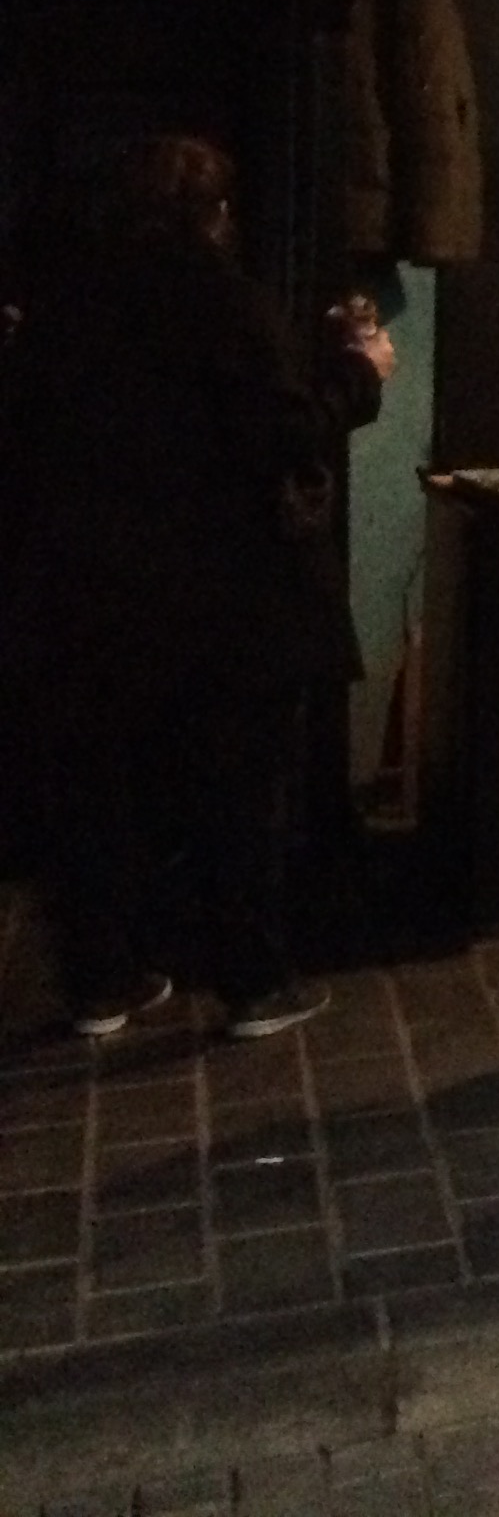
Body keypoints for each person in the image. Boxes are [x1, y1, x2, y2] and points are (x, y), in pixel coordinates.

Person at [0, 135, 393, 1041]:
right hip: (225, 596)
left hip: (89, 589)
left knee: (99, 792)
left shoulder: (66, 305)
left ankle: (104, 979)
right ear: (217, 215)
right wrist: (358, 372)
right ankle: (252, 982)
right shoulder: (225, 303)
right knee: (237, 793)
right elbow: (284, 430)